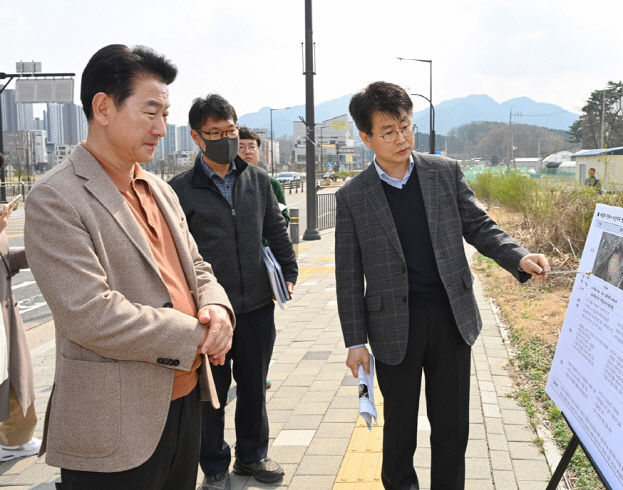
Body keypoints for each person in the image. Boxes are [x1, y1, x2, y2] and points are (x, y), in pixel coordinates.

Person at [23, 44, 234, 490]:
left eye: (165, 113)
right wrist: (198, 336)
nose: (162, 128)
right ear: (103, 107)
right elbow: (90, 314)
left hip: (184, 405)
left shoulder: (158, 187)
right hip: (112, 426)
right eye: (150, 112)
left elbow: (197, 267)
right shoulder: (56, 197)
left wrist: (217, 310)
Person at [335, 81, 550, 490]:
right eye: (388, 132)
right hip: (394, 326)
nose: (401, 138)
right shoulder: (353, 197)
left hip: (452, 320)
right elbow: (347, 275)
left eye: (405, 127)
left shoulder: (443, 173)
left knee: (452, 429)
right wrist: (355, 342)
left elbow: (480, 226)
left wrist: (518, 257)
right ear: (366, 138)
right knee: (399, 429)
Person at [169, 94, 297, 489]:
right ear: (196, 137)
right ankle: (213, 466)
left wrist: (289, 271)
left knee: (255, 386)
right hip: (210, 314)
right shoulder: (179, 190)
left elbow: (275, 231)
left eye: (231, 130)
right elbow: (174, 255)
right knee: (212, 394)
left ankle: (253, 456)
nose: (227, 138)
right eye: (216, 133)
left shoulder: (257, 180)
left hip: (258, 305)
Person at [237, 127, 289, 392]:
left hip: (262, 265)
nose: (247, 151)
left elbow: (282, 223)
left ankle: (260, 371)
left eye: (252, 147)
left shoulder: (270, 184)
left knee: (262, 328)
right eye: (242, 146)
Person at [0, 153, 40, 462]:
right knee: (11, 378)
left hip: (6, 309)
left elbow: (6, 261)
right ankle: (10, 441)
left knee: (16, 376)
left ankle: (14, 439)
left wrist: (34, 253)